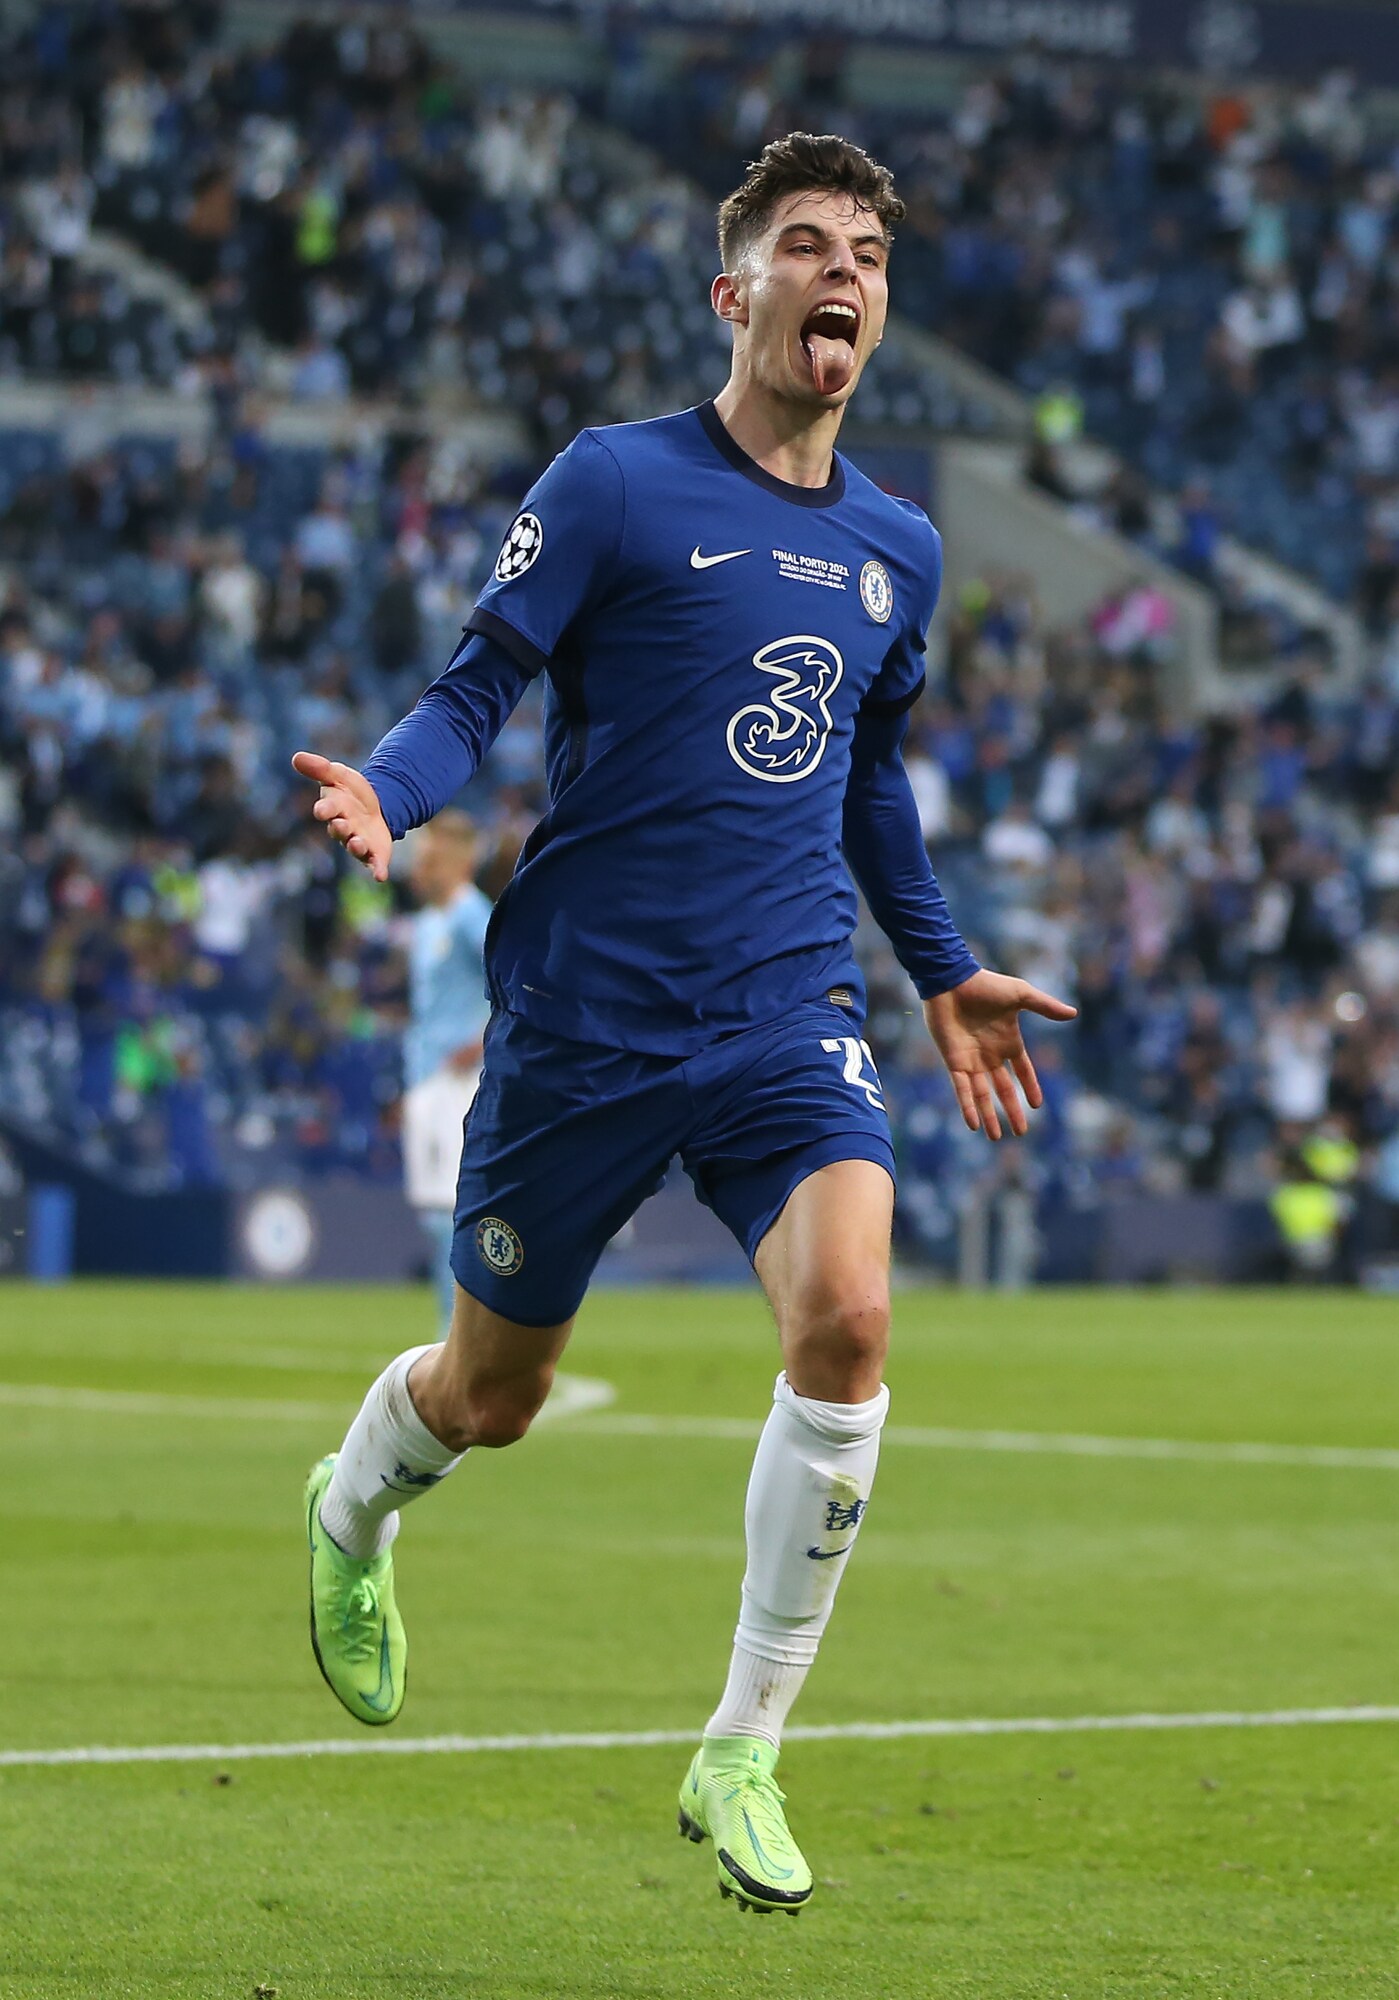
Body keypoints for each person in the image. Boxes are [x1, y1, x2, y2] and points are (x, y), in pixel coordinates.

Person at [293, 132, 1075, 1916]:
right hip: (582, 1015)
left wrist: (940, 965)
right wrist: (392, 796)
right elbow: (480, 681)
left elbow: (865, 783)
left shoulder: (894, 549)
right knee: (492, 1398)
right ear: (733, 292)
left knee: (850, 1323)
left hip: (782, 1006)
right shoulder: (615, 483)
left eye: (866, 250)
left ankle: (740, 1748)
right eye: (805, 243)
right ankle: (351, 1507)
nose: (842, 271)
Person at [400, 811, 491, 1331]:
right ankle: (454, 1329)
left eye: (430, 859)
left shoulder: (470, 915)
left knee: (452, 1212)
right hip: (427, 1078)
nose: (420, 869)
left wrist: (480, 1040)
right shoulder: (428, 922)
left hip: (459, 1082)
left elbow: (511, 982)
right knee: (437, 1214)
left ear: (458, 861)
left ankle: (459, 1333)